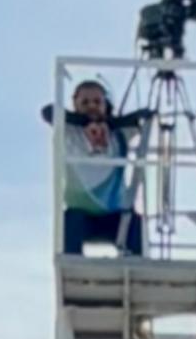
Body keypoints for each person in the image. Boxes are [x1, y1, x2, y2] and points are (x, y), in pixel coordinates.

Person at [57, 78, 147, 254]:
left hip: (114, 216)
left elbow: (142, 117)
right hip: (81, 217)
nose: (92, 106)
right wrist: (86, 123)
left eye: (97, 102)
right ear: (75, 104)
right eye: (85, 102)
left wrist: (108, 124)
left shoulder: (119, 134)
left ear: (106, 104)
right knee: (69, 219)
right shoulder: (69, 131)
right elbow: (48, 111)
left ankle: (136, 266)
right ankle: (75, 266)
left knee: (134, 222)